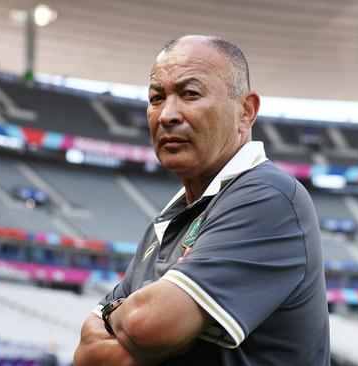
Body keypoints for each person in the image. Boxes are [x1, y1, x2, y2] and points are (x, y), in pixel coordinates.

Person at [74, 34, 330, 366]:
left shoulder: (270, 196)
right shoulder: (164, 224)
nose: (167, 114)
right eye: (156, 97)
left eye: (190, 94)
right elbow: (86, 357)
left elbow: (146, 325)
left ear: (245, 111)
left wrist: (133, 322)